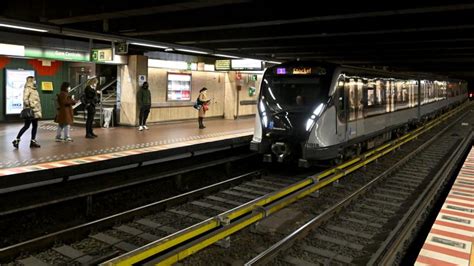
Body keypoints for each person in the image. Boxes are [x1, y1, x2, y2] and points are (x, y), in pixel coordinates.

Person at [12, 76, 42, 148]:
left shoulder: (34, 89)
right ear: (30, 81)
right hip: (31, 111)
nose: (35, 81)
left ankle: (33, 141)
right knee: (26, 126)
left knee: (35, 126)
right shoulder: (27, 89)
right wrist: (31, 105)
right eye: (34, 80)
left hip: (36, 111)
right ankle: (17, 140)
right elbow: (25, 99)